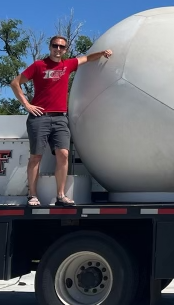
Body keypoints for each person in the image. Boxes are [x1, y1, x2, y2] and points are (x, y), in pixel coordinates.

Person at [11, 35, 112, 207]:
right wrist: (27, 105)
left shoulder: (67, 64)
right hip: (39, 117)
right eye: (55, 46)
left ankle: (60, 195)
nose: (58, 49)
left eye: (61, 47)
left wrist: (102, 53)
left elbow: (86, 58)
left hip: (60, 118)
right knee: (36, 157)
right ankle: (32, 195)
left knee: (63, 154)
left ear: (66, 49)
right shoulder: (38, 66)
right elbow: (15, 83)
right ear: (49, 47)